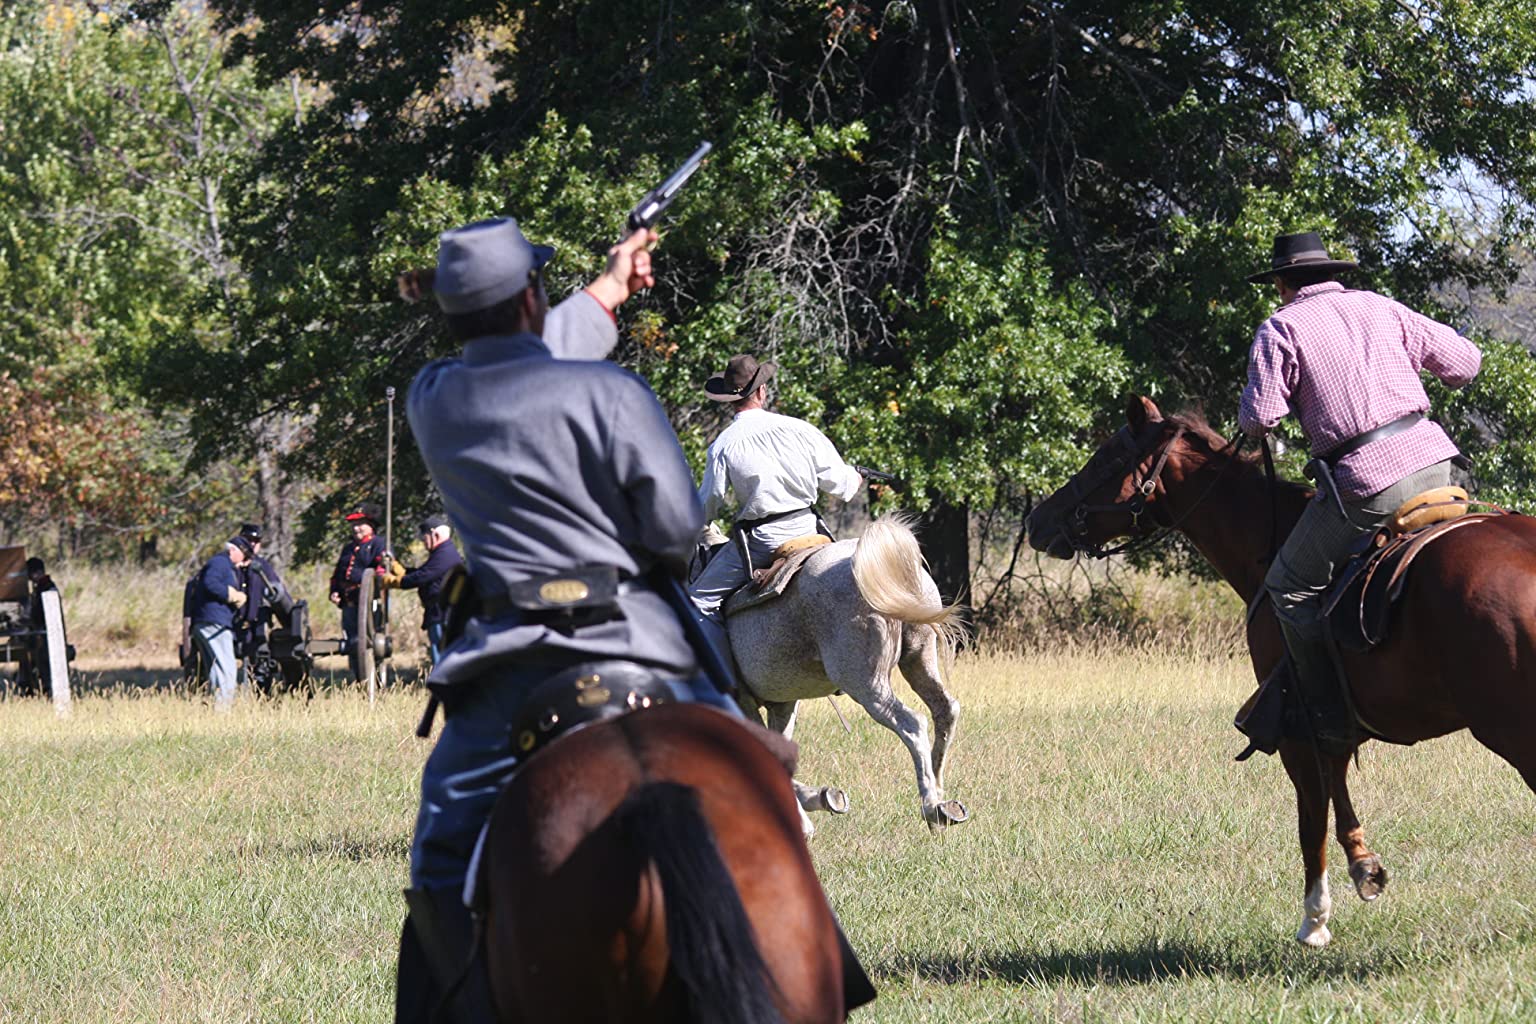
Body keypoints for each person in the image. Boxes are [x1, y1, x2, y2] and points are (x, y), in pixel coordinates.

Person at [398, 216, 739, 1022]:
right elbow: (675, 532)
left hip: (511, 673)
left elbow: (525, 363)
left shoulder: (434, 399)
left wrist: (612, 285)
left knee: (441, 857)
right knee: (765, 783)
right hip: (646, 651)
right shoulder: (613, 392)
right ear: (531, 296)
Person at [1239, 231, 1482, 754]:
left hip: (1366, 484)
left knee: (1289, 587)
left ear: (1282, 283)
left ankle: (1327, 712)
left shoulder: (1280, 327)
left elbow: (1260, 419)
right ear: (1333, 274)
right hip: (1438, 466)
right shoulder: (1381, 307)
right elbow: (1465, 363)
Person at [687, 353, 865, 668]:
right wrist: (858, 476)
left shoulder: (723, 445)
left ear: (730, 400)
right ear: (761, 392)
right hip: (810, 530)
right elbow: (841, 485)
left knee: (698, 602)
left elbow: (711, 503)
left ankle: (728, 678)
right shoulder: (801, 429)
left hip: (762, 541)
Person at [382, 514, 462, 665]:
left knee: (441, 655)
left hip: (442, 613)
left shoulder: (445, 554)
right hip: (439, 611)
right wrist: (398, 568)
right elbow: (422, 572)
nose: (423, 542)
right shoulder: (442, 553)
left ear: (435, 535)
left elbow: (422, 577)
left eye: (424, 537)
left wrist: (396, 581)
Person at [189, 535, 253, 709]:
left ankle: (215, 708)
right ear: (233, 550)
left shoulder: (220, 563)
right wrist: (232, 595)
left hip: (206, 622)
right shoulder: (220, 563)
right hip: (214, 623)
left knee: (216, 670)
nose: (244, 562)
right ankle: (222, 711)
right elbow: (210, 583)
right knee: (227, 669)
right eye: (244, 555)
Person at [329, 502, 387, 680]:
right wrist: (334, 591)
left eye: (360, 523)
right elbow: (339, 572)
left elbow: (381, 569)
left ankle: (373, 679)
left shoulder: (378, 544)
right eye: (354, 524)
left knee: (365, 642)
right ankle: (358, 677)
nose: (356, 528)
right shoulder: (348, 548)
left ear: (371, 525)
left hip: (369, 603)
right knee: (351, 642)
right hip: (348, 602)